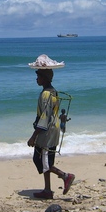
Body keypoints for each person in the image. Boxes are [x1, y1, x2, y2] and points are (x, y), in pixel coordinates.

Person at [27, 67, 75, 200]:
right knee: (45, 159)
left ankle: (66, 176)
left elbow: (45, 117)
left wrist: (33, 136)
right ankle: (47, 190)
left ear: (45, 78)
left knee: (40, 159)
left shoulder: (46, 94)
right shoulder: (53, 92)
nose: (36, 79)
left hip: (47, 131)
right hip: (54, 128)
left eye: (39, 76)